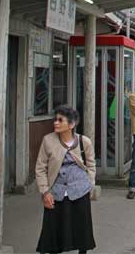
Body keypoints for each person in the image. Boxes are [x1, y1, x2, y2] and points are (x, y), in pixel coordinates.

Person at [36, 106, 96, 253]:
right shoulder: (48, 140)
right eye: (55, 119)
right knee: (53, 227)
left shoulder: (84, 141)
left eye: (60, 120)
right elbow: (40, 167)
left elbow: (91, 164)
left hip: (80, 190)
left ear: (71, 124)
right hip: (56, 190)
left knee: (82, 226)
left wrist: (89, 184)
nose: (56, 123)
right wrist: (45, 191)